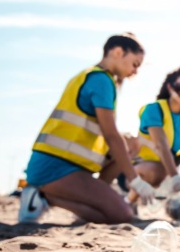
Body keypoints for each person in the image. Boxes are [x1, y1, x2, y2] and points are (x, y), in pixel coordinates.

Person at [18, 33, 157, 224]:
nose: (135, 72)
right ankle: (44, 196)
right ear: (118, 52)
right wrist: (135, 180)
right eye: (135, 64)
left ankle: (95, 200)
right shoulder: (101, 80)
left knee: (131, 142)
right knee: (122, 215)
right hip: (54, 167)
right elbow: (111, 135)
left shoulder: (91, 76)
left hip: (69, 165)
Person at [129, 66, 180, 202]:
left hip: (169, 165)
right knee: (154, 170)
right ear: (169, 87)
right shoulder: (153, 109)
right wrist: (175, 177)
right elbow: (160, 145)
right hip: (142, 167)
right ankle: (130, 200)